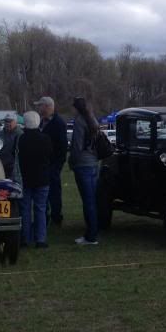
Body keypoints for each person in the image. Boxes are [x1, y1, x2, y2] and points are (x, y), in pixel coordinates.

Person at [17, 111, 53, 248]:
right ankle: (41, 239)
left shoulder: (21, 139)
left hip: (26, 179)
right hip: (42, 179)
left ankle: (25, 239)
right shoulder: (45, 139)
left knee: (25, 210)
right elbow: (50, 155)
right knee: (41, 209)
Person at [69, 97, 101, 246]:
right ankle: (93, 230)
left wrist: (72, 161)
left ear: (77, 108)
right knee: (92, 200)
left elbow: (76, 146)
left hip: (83, 164)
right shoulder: (93, 120)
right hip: (94, 163)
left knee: (88, 201)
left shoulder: (80, 122)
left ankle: (91, 235)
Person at [34, 96, 68, 225]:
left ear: (47, 107)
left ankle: (56, 217)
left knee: (54, 192)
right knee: (43, 192)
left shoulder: (58, 123)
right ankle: (44, 216)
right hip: (42, 164)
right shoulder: (41, 122)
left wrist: (57, 165)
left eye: (40, 106)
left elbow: (63, 146)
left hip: (53, 164)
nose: (38, 108)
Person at [0, 113, 23, 179]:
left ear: (15, 122)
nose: (7, 123)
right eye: (6, 121)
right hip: (1, 166)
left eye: (10, 121)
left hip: (15, 167)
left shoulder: (21, 134)